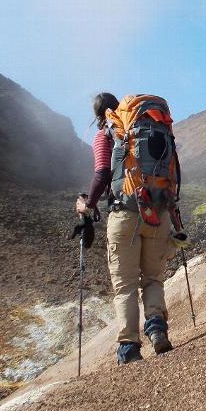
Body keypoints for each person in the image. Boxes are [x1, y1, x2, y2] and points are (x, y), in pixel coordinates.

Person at [76, 92, 176, 365]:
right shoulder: (149, 127)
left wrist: (88, 204)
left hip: (125, 213)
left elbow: (101, 174)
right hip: (158, 211)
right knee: (153, 277)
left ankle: (129, 348)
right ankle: (157, 328)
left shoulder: (107, 133)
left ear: (99, 115)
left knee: (125, 285)